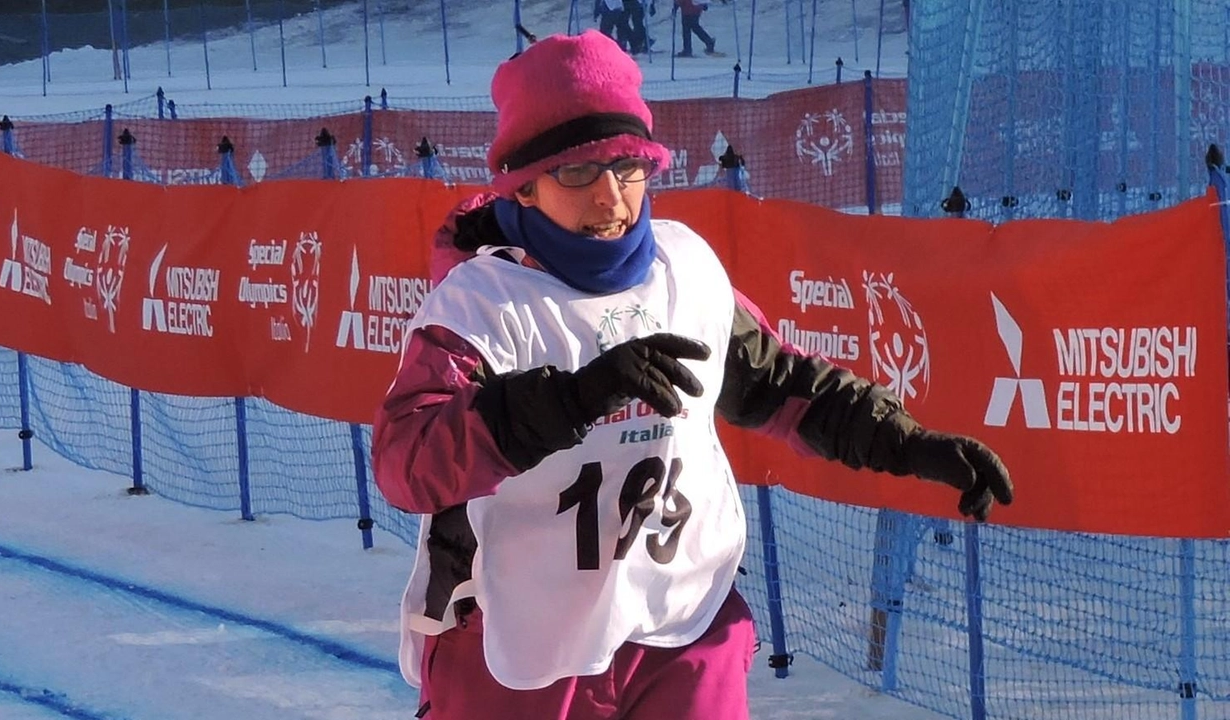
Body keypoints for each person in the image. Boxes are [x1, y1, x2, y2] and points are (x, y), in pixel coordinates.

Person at [372, 30, 1013, 720]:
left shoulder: (684, 271)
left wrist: (908, 443)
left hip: (679, 621)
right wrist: (567, 401)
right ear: (523, 188)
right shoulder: (480, 306)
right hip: (516, 639)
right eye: (578, 172)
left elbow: (783, 387)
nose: (610, 197)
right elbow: (406, 461)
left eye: (627, 166)